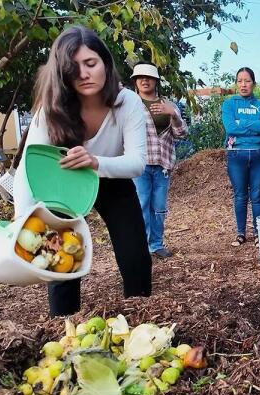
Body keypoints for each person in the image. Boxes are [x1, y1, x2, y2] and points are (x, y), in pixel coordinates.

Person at [13, 26, 152, 317]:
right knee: (62, 261)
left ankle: (143, 320)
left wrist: (96, 162)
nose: (84, 74)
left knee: (135, 254)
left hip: (112, 179)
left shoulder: (129, 102)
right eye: (73, 67)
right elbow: (29, 166)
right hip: (64, 185)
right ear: (62, 73)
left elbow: (137, 162)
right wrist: (21, 220)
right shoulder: (51, 108)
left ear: (105, 63)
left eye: (91, 63)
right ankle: (62, 325)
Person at [130, 61, 188, 259]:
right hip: (139, 164)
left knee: (159, 207)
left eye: (149, 77)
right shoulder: (129, 104)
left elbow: (181, 133)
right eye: (140, 77)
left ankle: (156, 244)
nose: (144, 81)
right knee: (142, 204)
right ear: (135, 81)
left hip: (163, 163)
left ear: (156, 81)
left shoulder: (167, 105)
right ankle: (142, 246)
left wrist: (174, 115)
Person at [221, 67, 260, 247]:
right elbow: (230, 128)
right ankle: (241, 233)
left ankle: (259, 233)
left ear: (254, 83)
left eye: (247, 81)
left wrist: (241, 123)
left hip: (259, 155)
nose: (243, 84)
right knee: (240, 195)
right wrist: (254, 126)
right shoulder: (229, 104)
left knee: (257, 195)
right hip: (236, 155)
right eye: (240, 81)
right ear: (236, 84)